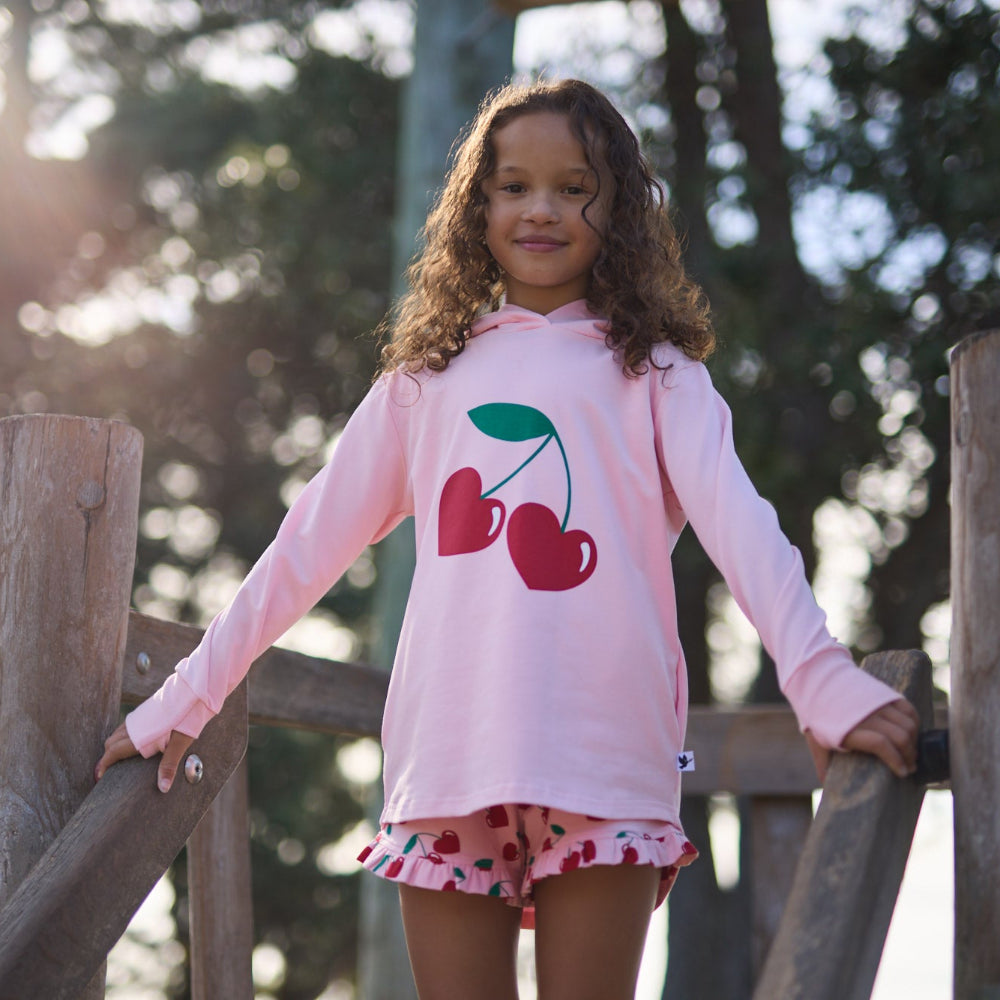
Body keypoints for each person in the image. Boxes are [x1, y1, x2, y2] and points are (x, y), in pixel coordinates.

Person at [96, 79, 920, 999]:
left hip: (605, 757)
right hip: (448, 759)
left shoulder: (656, 373)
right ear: (476, 204)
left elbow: (745, 530)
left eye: (576, 188)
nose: (541, 209)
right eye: (513, 185)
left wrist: (820, 680)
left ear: (621, 209)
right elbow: (303, 549)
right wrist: (187, 694)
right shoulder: (425, 379)